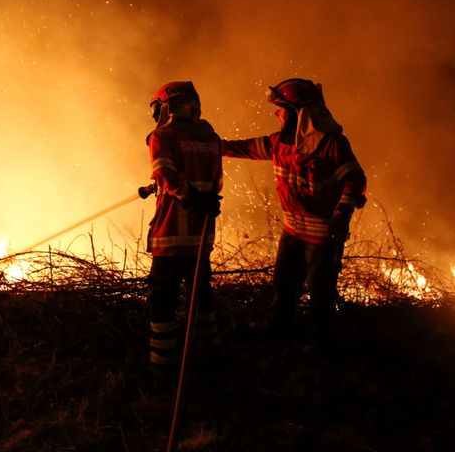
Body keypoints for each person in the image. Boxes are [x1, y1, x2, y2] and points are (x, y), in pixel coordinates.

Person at [223, 78, 366, 350]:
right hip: (292, 231)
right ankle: (278, 327)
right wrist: (211, 146)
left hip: (322, 236)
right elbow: (243, 148)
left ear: (298, 112)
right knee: (284, 283)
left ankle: (321, 341)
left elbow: (355, 180)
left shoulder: (331, 145)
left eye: (281, 109)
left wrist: (341, 214)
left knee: (320, 291)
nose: (276, 114)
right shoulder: (280, 143)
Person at [143, 80, 223, 380]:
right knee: (201, 297)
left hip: (171, 236)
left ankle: (162, 367)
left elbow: (165, 172)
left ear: (167, 107)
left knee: (162, 301)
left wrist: (186, 194)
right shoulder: (211, 138)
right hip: (201, 236)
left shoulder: (163, 136)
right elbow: (208, 181)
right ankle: (210, 355)